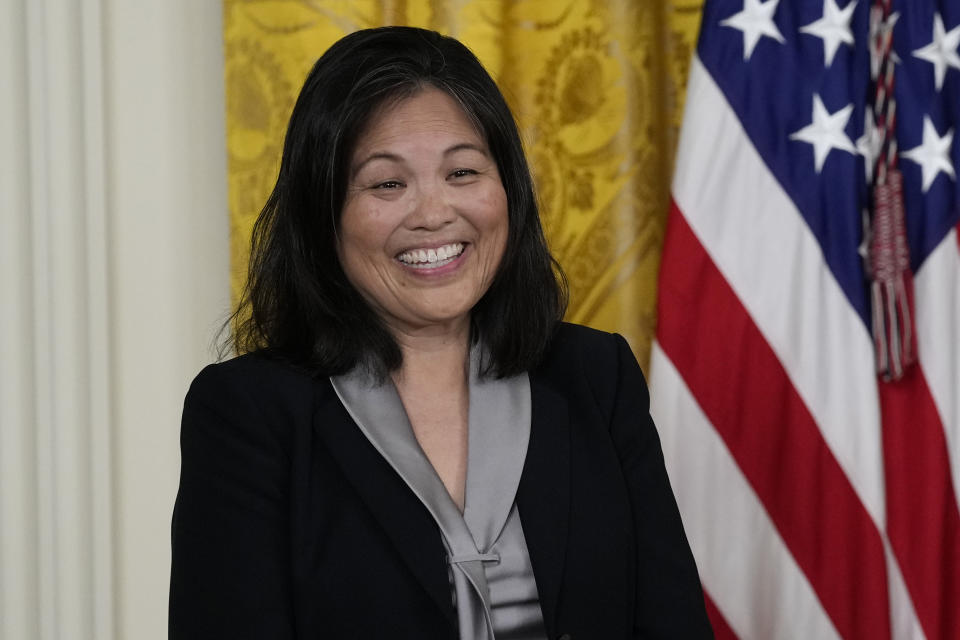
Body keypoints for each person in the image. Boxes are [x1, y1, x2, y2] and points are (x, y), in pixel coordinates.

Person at [169, 26, 712, 640]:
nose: (433, 214)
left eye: (462, 172)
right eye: (386, 183)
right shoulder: (247, 413)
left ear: (508, 190)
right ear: (324, 215)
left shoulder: (596, 375)